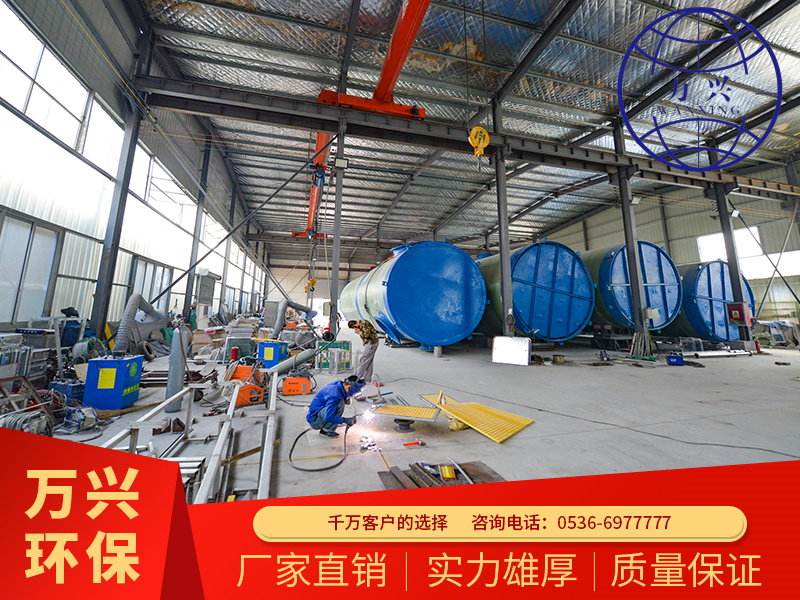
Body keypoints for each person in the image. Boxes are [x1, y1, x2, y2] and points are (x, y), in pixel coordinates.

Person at [349, 319, 379, 384]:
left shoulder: (364, 324)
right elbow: (365, 337)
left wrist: (359, 332)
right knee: (369, 361)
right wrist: (364, 341)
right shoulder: (361, 324)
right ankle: (367, 378)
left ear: (355, 325)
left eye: (354, 328)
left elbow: (367, 335)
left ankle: (356, 377)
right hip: (371, 343)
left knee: (364, 360)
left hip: (371, 344)